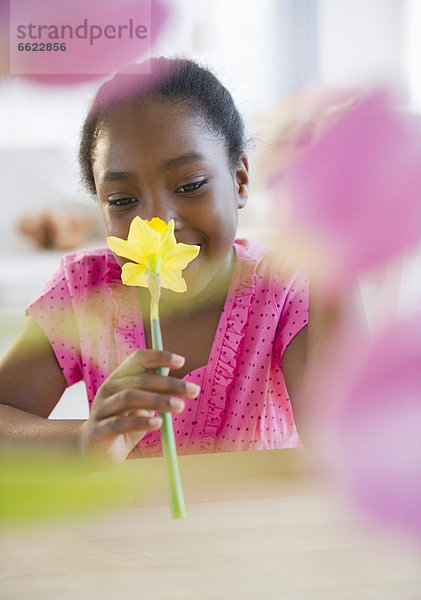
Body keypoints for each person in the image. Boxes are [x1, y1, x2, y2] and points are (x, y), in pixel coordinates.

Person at [0, 57, 361, 465]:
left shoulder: (283, 287)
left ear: (240, 181)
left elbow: (342, 439)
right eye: (122, 201)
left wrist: (341, 251)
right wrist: (83, 440)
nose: (158, 223)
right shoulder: (84, 290)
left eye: (190, 186)